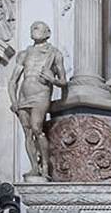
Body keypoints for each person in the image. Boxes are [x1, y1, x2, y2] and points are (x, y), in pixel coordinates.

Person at [8, 21, 67, 180]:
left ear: (47, 33)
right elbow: (13, 80)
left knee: (36, 128)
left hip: (41, 94)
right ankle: (34, 167)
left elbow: (63, 82)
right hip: (24, 95)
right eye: (32, 27)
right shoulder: (24, 54)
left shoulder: (54, 53)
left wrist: (52, 80)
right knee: (27, 133)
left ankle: (46, 166)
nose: (34, 30)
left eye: (37, 28)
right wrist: (14, 101)